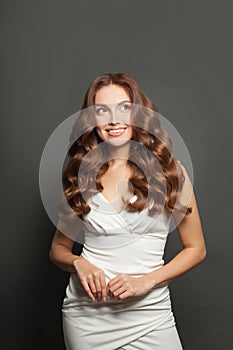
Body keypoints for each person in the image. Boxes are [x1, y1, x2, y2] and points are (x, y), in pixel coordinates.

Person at [49, 72, 206, 350]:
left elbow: (196, 248)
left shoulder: (171, 173)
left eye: (124, 107)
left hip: (150, 314)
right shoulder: (81, 176)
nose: (113, 119)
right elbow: (58, 249)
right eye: (101, 110)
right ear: (92, 119)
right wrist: (79, 263)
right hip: (88, 318)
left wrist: (147, 281)